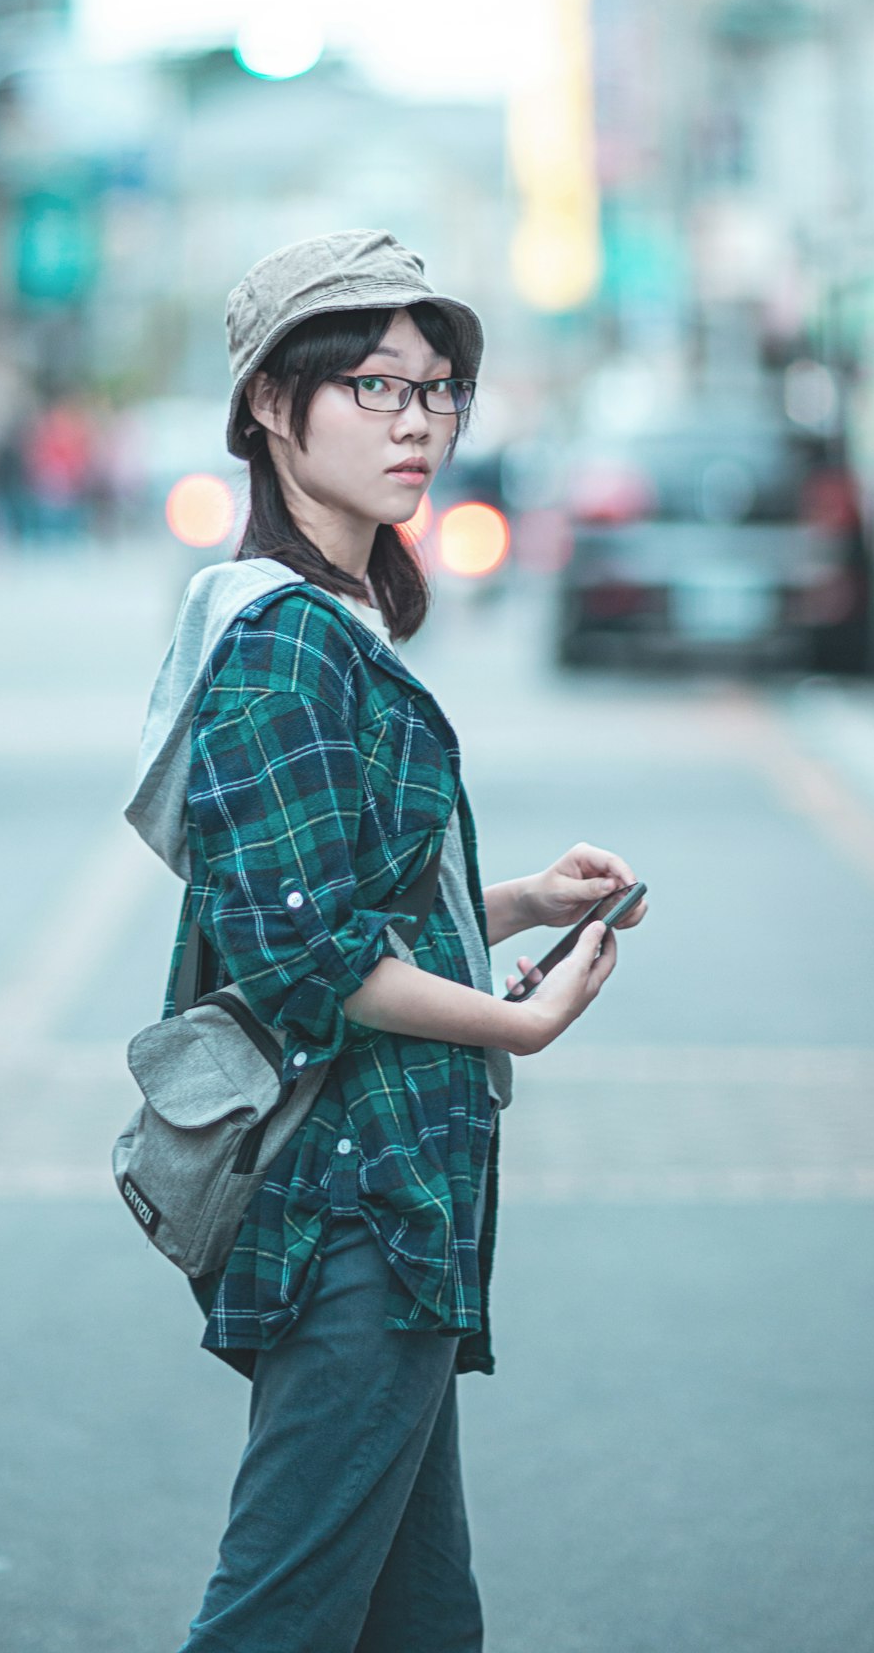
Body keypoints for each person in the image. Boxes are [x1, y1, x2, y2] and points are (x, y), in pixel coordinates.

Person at [125, 228, 646, 1653]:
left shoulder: (343, 618)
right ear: (269, 411)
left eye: (435, 388)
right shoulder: (282, 639)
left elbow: (339, 906)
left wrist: (520, 904)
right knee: (280, 1620)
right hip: (349, 1211)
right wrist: (521, 1020)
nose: (417, 419)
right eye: (371, 386)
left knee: (421, 1626)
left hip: (401, 1201)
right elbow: (307, 963)